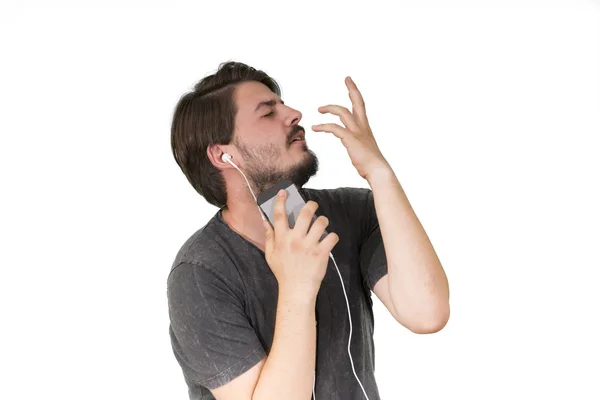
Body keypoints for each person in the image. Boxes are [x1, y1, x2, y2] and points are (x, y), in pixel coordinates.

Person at [167, 61, 450, 400]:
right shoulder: (200, 274)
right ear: (223, 155)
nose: (294, 113)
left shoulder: (354, 212)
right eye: (268, 113)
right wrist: (297, 286)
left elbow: (427, 313)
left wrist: (379, 172)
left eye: (283, 104)